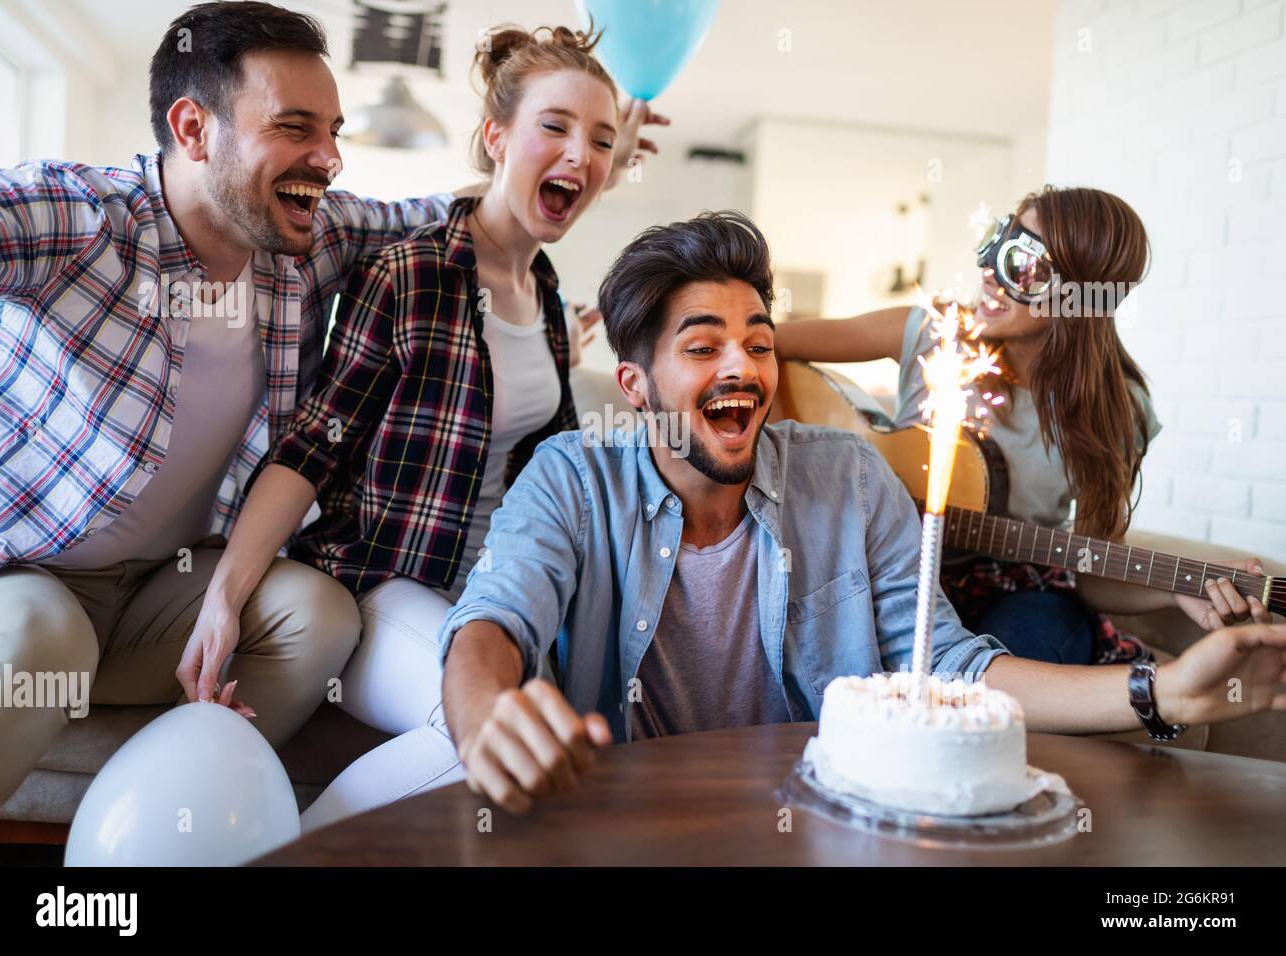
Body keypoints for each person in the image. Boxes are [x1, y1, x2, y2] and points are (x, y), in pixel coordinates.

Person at [0, 1, 660, 817]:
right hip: (39, 573)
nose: (331, 158)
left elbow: (469, 217)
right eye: (296, 127)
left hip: (173, 582)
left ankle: (195, 808)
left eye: (334, 130)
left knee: (314, 617)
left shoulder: (305, 237)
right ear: (194, 129)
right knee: (38, 641)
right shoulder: (79, 219)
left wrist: (587, 159)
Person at [437, 210, 1286, 814]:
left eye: (759, 344)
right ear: (634, 387)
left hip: (824, 808)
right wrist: (481, 713)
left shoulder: (845, 479)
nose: (742, 365)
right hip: (626, 814)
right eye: (701, 347)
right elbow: (497, 615)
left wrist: (1163, 688)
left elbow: (949, 663)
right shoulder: (571, 474)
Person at [193, 23, 646, 831]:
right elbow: (311, 446)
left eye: (601, 141)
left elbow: (555, 476)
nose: (580, 153)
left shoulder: (544, 294)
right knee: (475, 729)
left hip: (489, 598)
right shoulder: (411, 271)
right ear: (495, 137)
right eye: (555, 127)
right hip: (381, 588)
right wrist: (226, 597)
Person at [774, 186, 1271, 665]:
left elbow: (1093, 570)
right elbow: (761, 346)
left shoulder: (1119, 410)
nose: (990, 273)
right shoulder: (933, 332)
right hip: (897, 582)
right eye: (998, 242)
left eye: (1022, 264)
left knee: (1006, 663)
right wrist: (778, 456)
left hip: (1020, 594)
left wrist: (1173, 588)